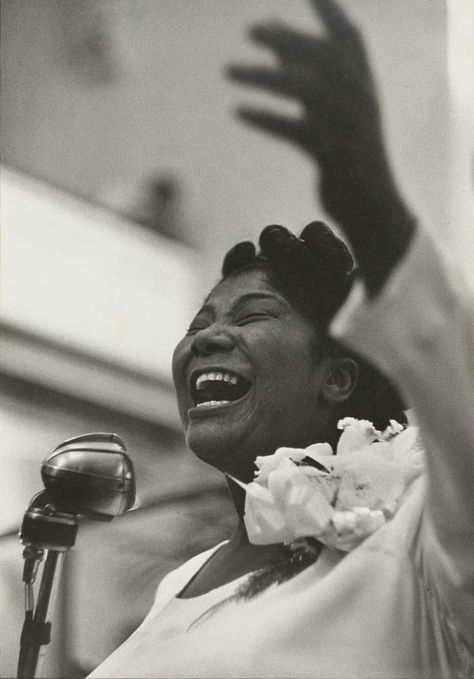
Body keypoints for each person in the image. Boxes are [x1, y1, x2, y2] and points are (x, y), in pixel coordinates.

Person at [90, 1, 474, 677]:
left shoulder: (416, 537)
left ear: (337, 375)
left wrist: (376, 207)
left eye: (250, 316)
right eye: (199, 323)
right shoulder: (174, 586)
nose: (206, 338)